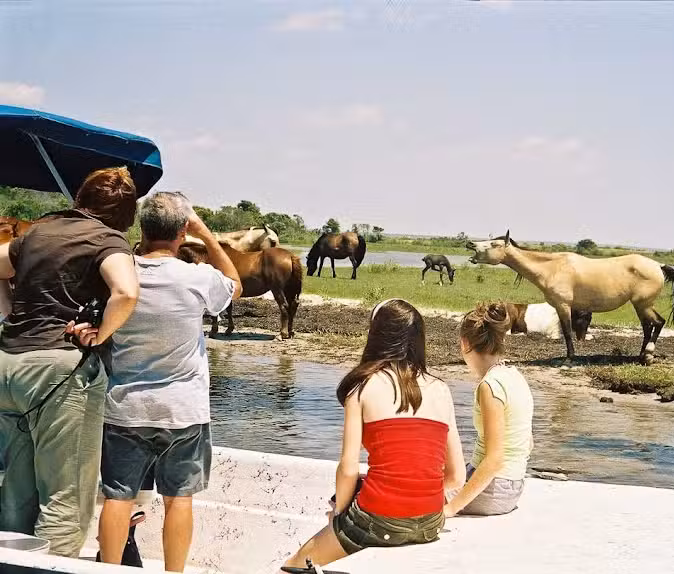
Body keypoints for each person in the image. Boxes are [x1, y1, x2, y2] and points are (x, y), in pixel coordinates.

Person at [97, 192, 242, 572]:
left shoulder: (121, 272)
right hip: (184, 410)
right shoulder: (197, 277)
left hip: (126, 406)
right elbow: (234, 285)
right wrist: (206, 233)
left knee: (118, 498)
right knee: (179, 499)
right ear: (182, 232)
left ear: (142, 229)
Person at [0, 167, 140, 557]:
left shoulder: (38, 232)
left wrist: (11, 316)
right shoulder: (108, 239)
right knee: (66, 497)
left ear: (82, 198)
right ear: (125, 213)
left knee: (16, 491)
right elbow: (126, 292)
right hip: (59, 372)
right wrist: (102, 334)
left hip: (8, 365)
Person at [283, 299, 466, 569]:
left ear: (376, 337)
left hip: (379, 519)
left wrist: (339, 513)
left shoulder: (362, 386)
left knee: (297, 565)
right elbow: (456, 476)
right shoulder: (441, 389)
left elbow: (347, 468)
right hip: (431, 521)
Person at [444, 301, 534, 517]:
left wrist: (451, 508)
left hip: (495, 491)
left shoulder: (489, 386)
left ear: (465, 344)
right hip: (513, 486)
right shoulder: (515, 376)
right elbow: (528, 443)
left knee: (411, 492)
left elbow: (494, 460)